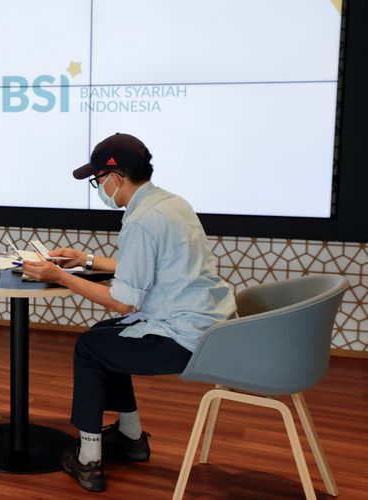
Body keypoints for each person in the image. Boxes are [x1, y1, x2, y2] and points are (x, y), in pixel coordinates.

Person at [22, 133, 237, 492]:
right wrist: (85, 260)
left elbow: (124, 301)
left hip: (184, 338)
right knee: (107, 335)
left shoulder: (141, 220)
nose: (100, 188)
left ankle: (89, 460)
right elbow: (141, 269)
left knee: (90, 348)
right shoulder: (172, 203)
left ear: (117, 177)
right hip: (210, 324)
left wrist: (59, 275)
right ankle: (130, 436)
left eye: (98, 181)